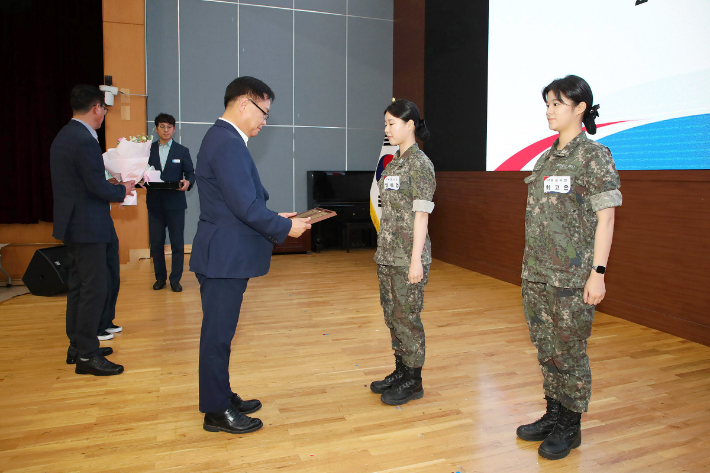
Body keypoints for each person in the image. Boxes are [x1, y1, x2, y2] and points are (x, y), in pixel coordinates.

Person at [190, 76, 311, 434]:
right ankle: (215, 411)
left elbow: (242, 201)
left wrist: (279, 217)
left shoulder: (225, 139)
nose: (264, 121)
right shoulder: (226, 142)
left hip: (225, 254)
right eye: (264, 112)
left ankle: (222, 395)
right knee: (217, 334)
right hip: (223, 257)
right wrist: (283, 229)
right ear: (244, 103)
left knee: (222, 333)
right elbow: (243, 205)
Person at [516, 75, 622, 460]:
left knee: (570, 350)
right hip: (537, 273)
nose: (549, 110)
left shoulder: (594, 156)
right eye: (547, 103)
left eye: (557, 103)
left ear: (579, 108)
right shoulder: (546, 157)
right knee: (547, 348)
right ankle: (554, 412)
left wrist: (598, 272)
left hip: (572, 277)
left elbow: (606, 218)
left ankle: (571, 426)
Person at [50, 84, 136, 375]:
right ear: (97, 107)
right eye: (104, 108)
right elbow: (93, 186)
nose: (104, 114)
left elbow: (81, 183)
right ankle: (87, 354)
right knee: (94, 289)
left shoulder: (65, 135)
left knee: (79, 287)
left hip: (73, 223)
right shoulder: (84, 140)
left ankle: (78, 345)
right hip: (88, 225)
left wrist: (107, 188)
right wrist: (122, 189)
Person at [370, 99, 435, 406]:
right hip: (388, 253)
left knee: (407, 318)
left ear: (410, 125)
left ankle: (414, 380)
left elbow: (422, 215)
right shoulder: (393, 163)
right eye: (385, 123)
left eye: (391, 123)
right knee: (392, 316)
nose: (387, 129)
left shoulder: (420, 165)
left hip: (409, 256)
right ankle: (401, 369)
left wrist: (415, 261)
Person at [147, 113, 195, 292]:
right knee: (157, 242)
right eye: (162, 126)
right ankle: (160, 278)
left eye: (169, 127)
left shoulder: (182, 151)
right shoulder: (147, 150)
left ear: (174, 129)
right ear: (156, 128)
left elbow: (191, 174)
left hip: (175, 203)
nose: (166, 130)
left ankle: (175, 279)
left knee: (177, 243)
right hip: (154, 203)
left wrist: (188, 182)